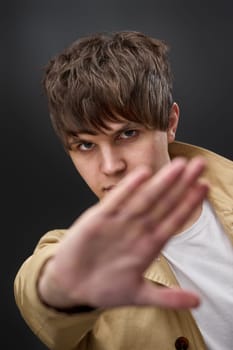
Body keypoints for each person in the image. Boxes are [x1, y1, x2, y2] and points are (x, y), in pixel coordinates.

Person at [14, 31, 233, 350]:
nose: (110, 166)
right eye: (85, 145)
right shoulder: (82, 255)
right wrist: (63, 290)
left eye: (128, 134)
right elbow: (38, 288)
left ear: (170, 123)